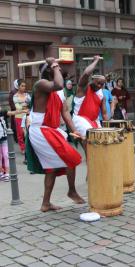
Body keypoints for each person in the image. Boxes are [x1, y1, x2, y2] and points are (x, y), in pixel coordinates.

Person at [26, 57, 84, 212]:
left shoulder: (59, 92)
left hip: (49, 130)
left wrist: (74, 130)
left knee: (51, 168)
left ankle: (45, 203)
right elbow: (58, 83)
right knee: (71, 158)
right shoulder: (41, 84)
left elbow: (65, 111)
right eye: (56, 68)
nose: (59, 70)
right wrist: (54, 63)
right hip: (41, 130)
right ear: (49, 70)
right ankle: (71, 191)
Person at [73, 56, 108, 152]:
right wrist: (96, 61)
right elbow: (86, 73)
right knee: (90, 143)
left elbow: (104, 113)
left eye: (102, 84)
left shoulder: (102, 95)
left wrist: (107, 128)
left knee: (102, 144)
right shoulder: (83, 88)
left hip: (94, 121)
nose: (100, 86)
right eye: (98, 83)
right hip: (80, 118)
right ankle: (91, 162)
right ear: (92, 80)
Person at [0, 106, 27, 181]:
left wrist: (22, 111)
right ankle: (1, 172)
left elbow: (13, 112)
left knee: (5, 155)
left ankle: (7, 174)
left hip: (4, 137)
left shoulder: (3, 112)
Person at [13, 80, 31, 154]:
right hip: (19, 116)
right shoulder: (15, 96)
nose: (24, 87)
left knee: (28, 132)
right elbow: (18, 107)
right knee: (20, 134)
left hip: (27, 116)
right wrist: (25, 105)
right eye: (22, 86)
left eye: (24, 86)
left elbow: (30, 104)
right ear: (18, 87)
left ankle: (29, 147)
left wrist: (24, 105)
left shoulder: (27, 95)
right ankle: (22, 148)